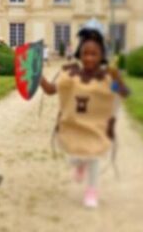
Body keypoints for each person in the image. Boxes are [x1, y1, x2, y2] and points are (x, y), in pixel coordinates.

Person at [39, 22, 129, 208]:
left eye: (94, 54)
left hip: (96, 128)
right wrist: (35, 76)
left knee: (93, 157)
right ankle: (79, 163)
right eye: (86, 53)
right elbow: (50, 90)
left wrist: (117, 78)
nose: (89, 58)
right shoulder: (71, 76)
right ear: (80, 53)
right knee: (75, 155)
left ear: (101, 55)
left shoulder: (106, 79)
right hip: (74, 126)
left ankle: (92, 191)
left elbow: (122, 93)